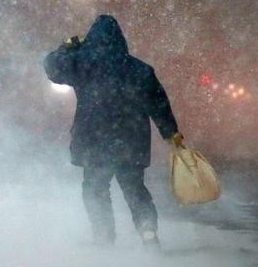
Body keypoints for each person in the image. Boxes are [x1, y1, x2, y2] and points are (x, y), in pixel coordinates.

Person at [44, 14, 184, 247]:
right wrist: (171, 133)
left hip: (93, 140)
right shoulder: (140, 69)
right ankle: (148, 231)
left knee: (95, 189)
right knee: (135, 189)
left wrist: (68, 47)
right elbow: (159, 104)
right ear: (120, 39)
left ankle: (104, 236)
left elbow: (51, 67)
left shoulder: (82, 63)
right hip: (131, 140)